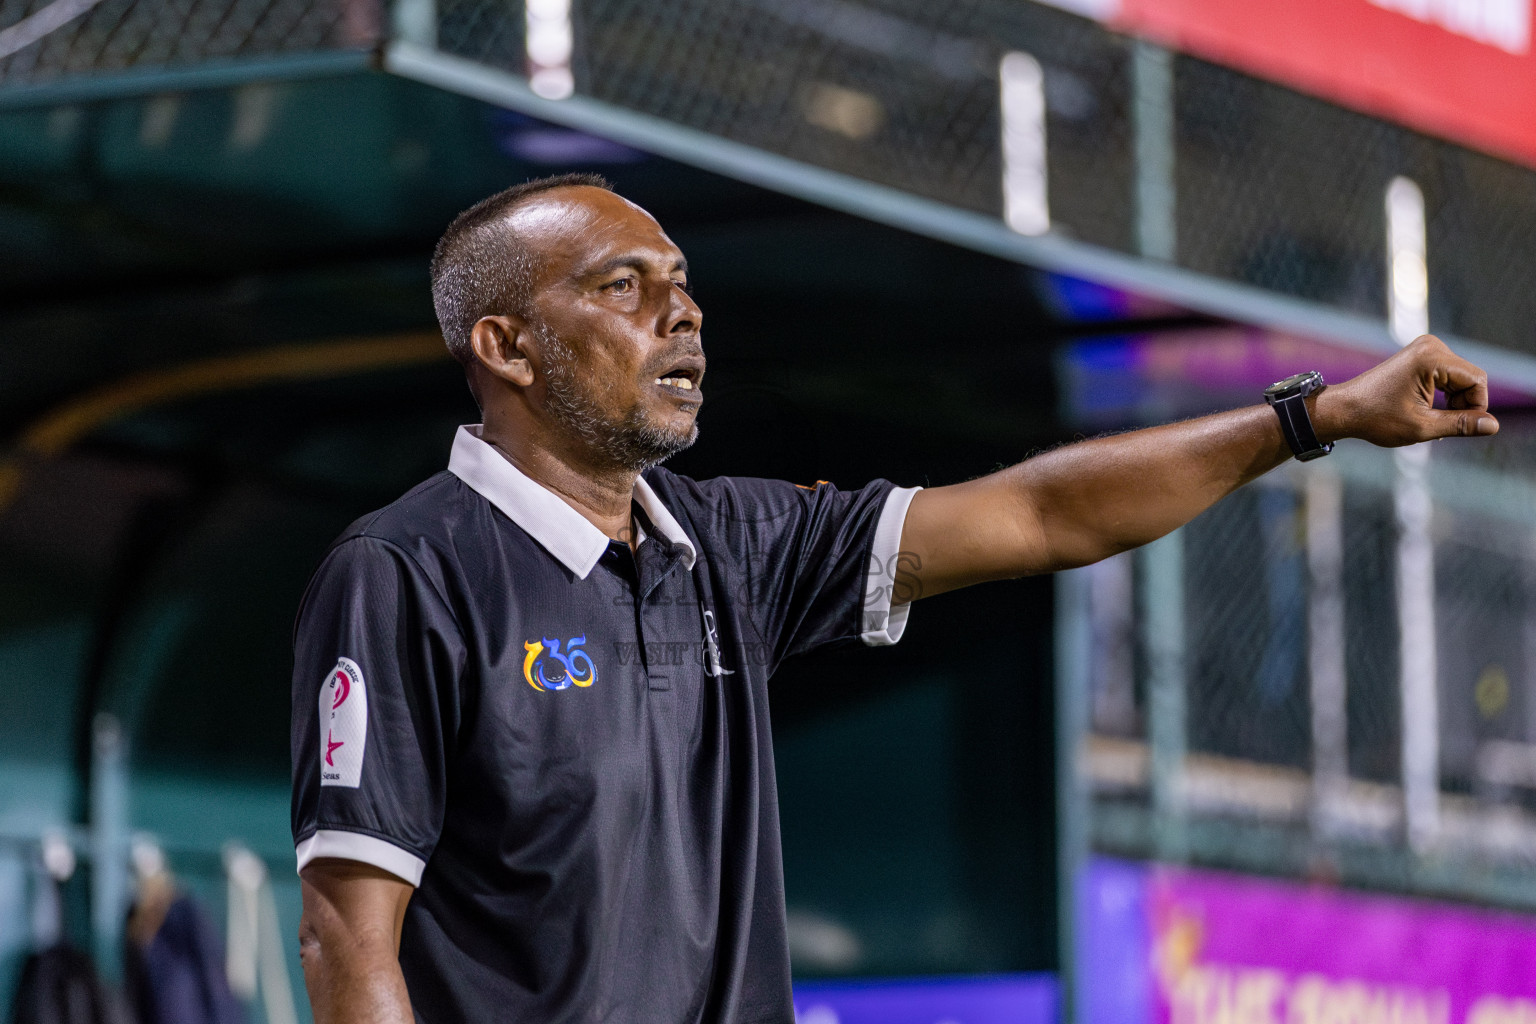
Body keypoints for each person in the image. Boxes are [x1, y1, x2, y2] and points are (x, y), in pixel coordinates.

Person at [290, 173, 1496, 1024]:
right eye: (623, 285)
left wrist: (1313, 417)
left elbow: (1041, 515)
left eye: (682, 283)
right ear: (506, 347)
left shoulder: (731, 544)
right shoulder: (406, 572)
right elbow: (349, 938)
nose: (682, 312)